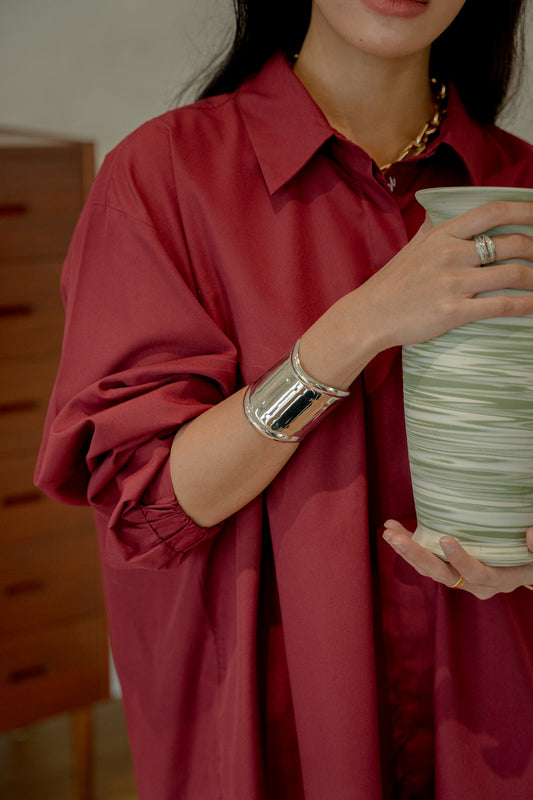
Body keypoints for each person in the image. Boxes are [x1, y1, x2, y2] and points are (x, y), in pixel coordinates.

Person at [35, 1, 533, 797]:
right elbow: (147, 505)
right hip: (271, 727)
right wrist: (353, 330)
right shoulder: (165, 177)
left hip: (495, 715)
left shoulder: (518, 188)